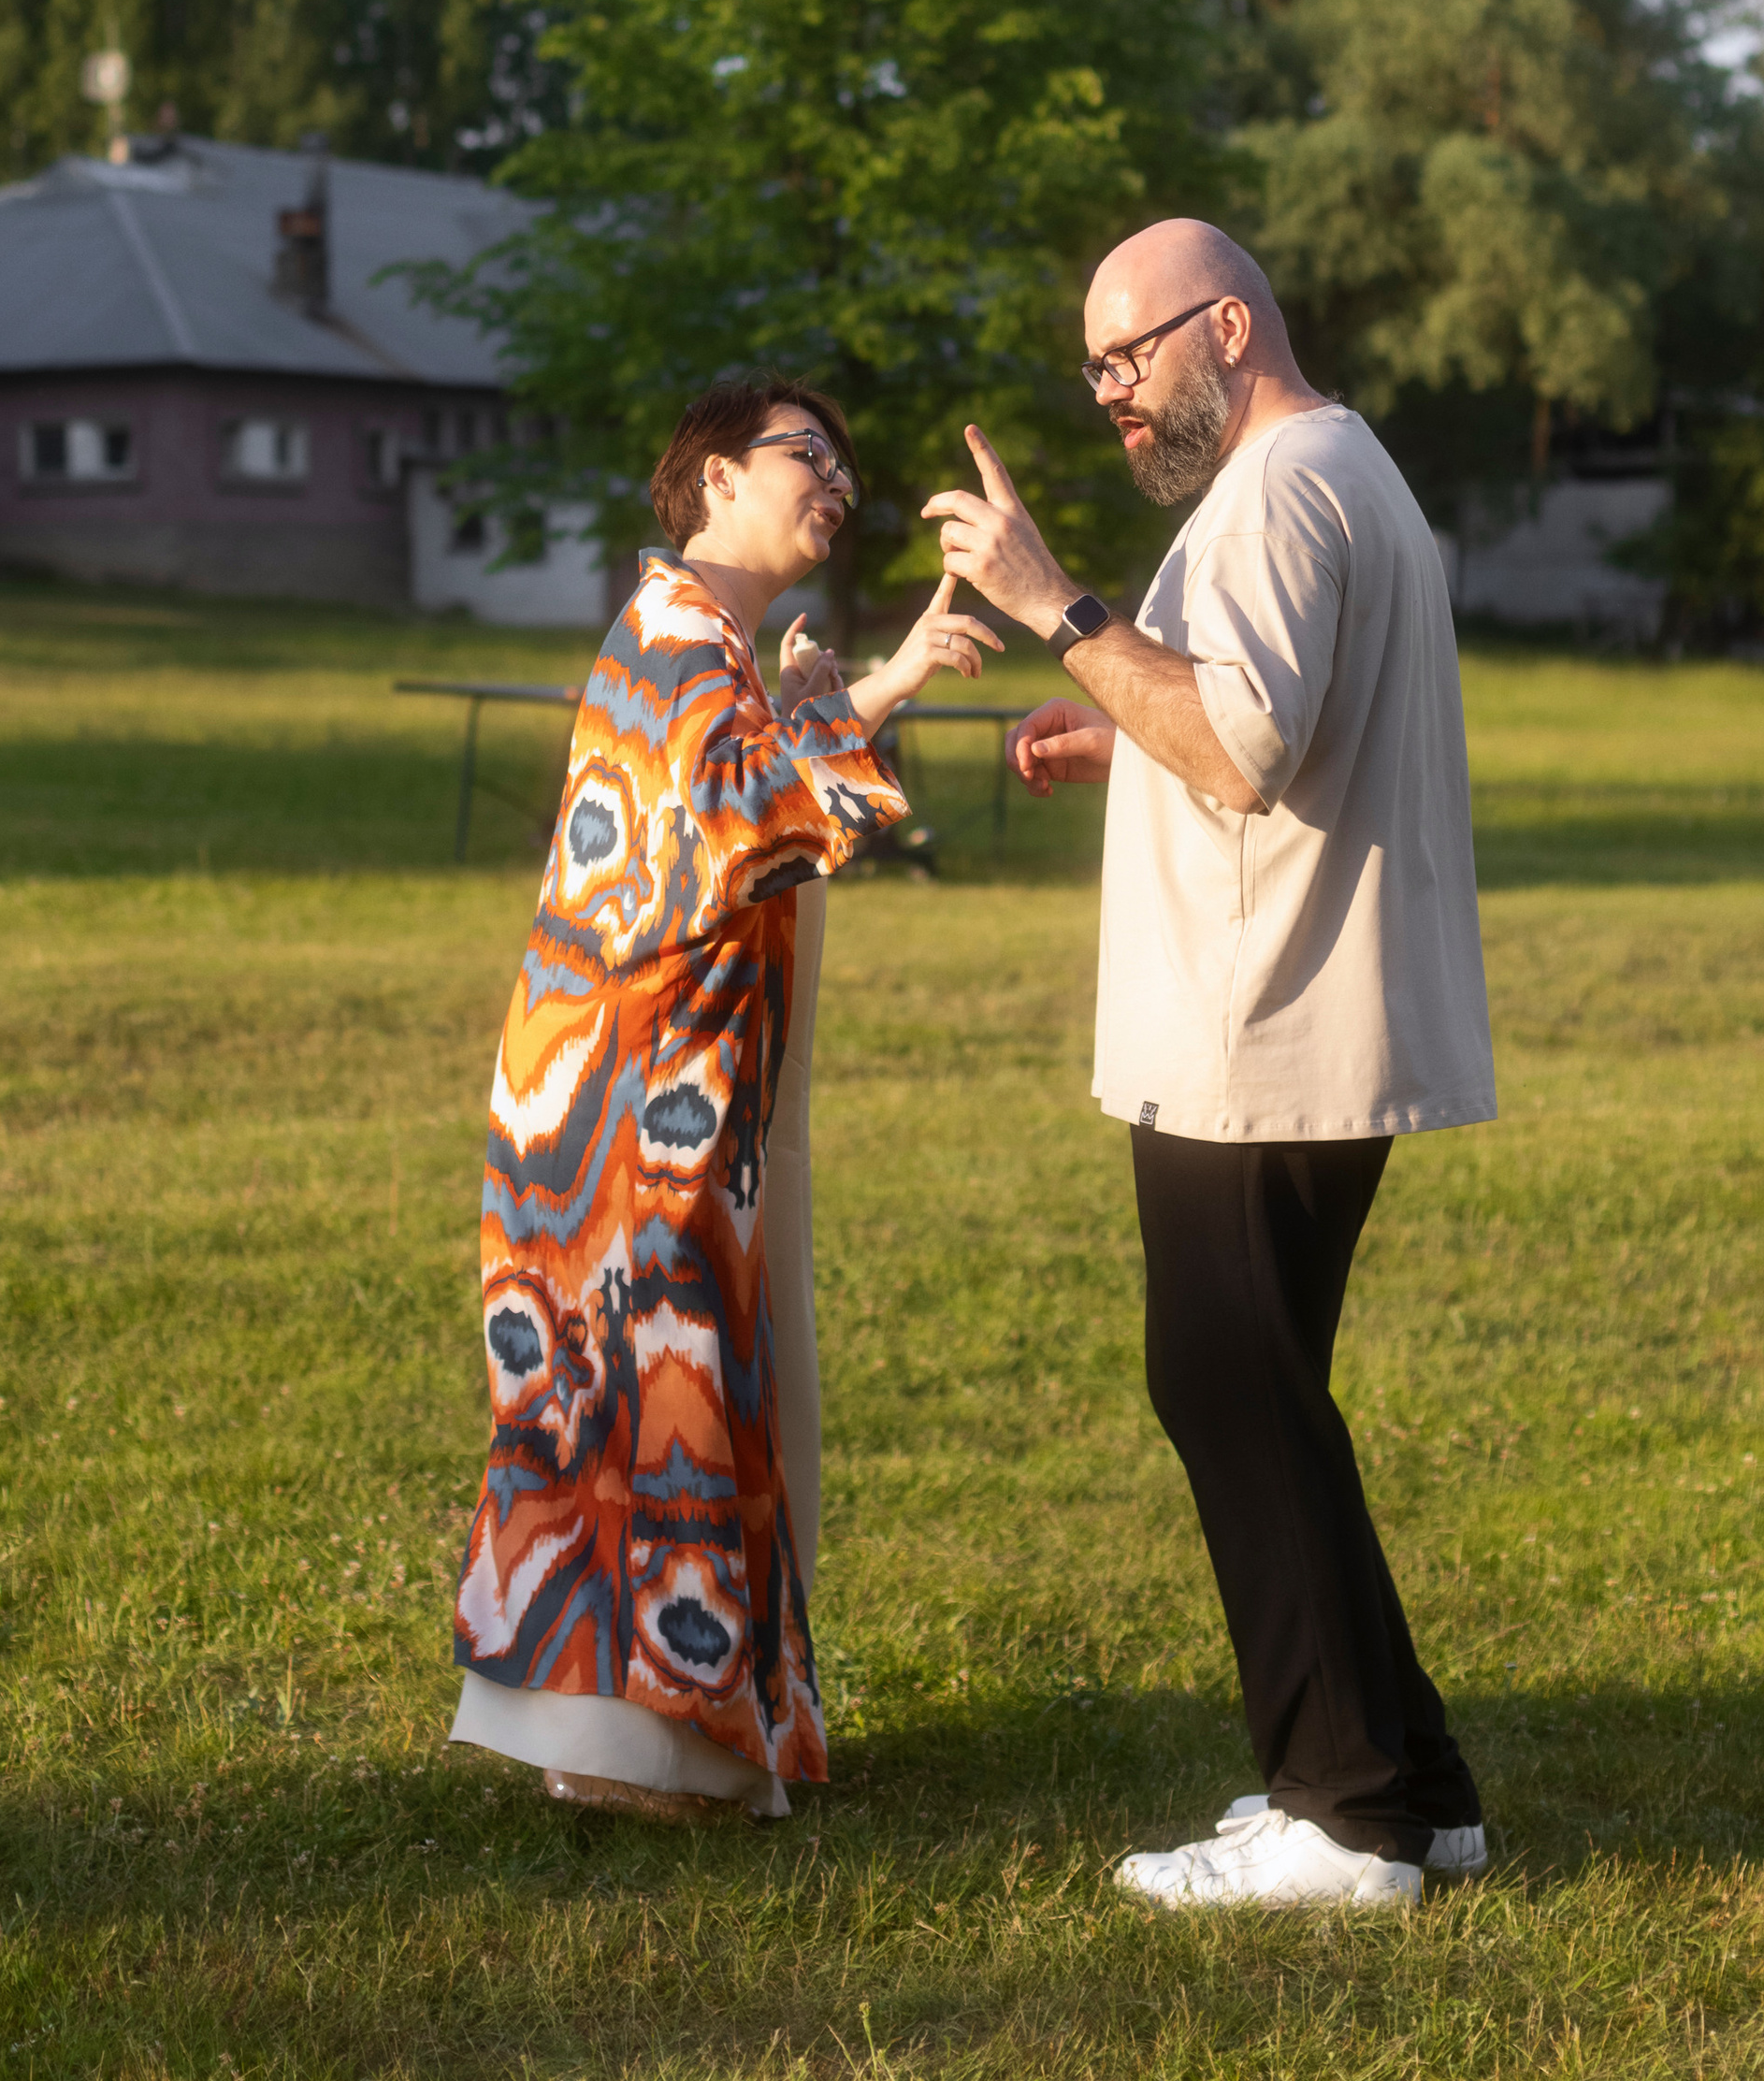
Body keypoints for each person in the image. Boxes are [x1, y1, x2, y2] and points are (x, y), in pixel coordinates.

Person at [922, 219, 1496, 1913]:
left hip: (1260, 1033)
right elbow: (1267, 722)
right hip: (1304, 1022)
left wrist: (1053, 604)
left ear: (1226, 326)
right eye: (1092, 365)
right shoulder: (1341, 464)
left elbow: (1244, 750)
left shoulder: (1273, 489)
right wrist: (1121, 728)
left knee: (1232, 1393)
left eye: (1131, 354)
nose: (1109, 392)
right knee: (1266, 1401)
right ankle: (1416, 1789)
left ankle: (1345, 1815)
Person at [450, 370, 1000, 1821]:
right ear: (711, 479)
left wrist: (827, 698)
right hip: (632, 1110)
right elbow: (744, 811)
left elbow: (758, 815)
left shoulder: (713, 646)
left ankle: (647, 1750)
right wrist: (883, 687)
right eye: (803, 453)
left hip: (651, 1095)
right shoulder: (678, 629)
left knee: (638, 1414)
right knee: (658, 1413)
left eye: (845, 462)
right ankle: (660, 1756)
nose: (833, 479)